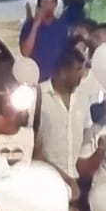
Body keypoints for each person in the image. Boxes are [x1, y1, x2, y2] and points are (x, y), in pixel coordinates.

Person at [35, 46, 95, 185]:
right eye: (78, 69)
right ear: (63, 71)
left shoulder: (82, 98)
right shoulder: (38, 96)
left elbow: (87, 133)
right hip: (46, 178)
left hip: (75, 179)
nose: (82, 74)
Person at [19, 0, 71, 82]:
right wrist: (35, 26)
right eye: (45, 2)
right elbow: (25, 52)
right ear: (40, 5)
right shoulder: (29, 26)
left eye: (52, 2)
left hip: (55, 79)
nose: (49, 6)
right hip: (34, 78)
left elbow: (65, 53)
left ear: (55, 5)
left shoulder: (62, 27)